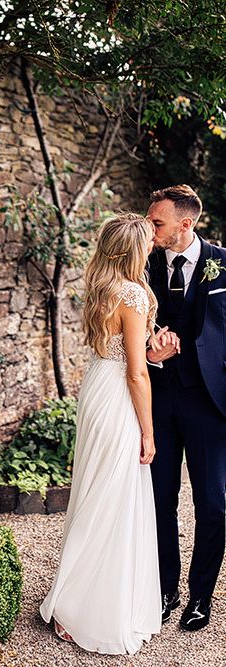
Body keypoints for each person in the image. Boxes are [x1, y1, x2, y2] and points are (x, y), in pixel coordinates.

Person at [40, 212, 162, 654]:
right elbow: (136, 373)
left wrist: (154, 350)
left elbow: (122, 351)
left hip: (96, 387)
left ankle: (78, 594)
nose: (154, 245)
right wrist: (148, 432)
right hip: (117, 395)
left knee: (95, 490)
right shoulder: (132, 293)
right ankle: (85, 607)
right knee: (113, 495)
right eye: (149, 240)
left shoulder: (102, 287)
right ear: (134, 249)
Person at [145, 184, 226, 631]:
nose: (150, 230)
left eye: (157, 223)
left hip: (210, 402)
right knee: (159, 500)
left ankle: (201, 595)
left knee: (214, 504)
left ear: (185, 224)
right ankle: (164, 588)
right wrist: (148, 347)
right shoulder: (143, 264)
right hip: (158, 398)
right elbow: (128, 323)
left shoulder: (224, 263)